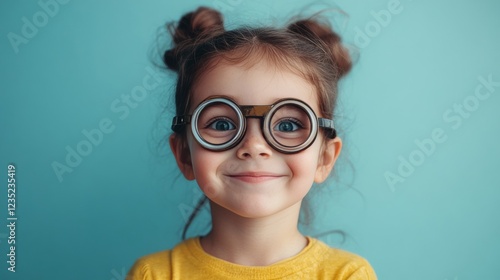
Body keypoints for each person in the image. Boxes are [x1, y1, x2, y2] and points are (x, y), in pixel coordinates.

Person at [127, 6, 377, 279]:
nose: (254, 145)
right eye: (222, 124)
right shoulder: (153, 275)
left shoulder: (346, 275)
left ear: (324, 158)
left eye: (288, 125)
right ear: (185, 154)